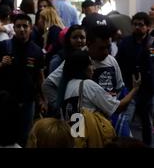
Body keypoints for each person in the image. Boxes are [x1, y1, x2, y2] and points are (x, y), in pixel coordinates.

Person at [0, 14, 45, 145]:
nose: (22, 29)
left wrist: (42, 99)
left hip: (27, 102)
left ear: (31, 28)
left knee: (24, 137)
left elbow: (40, 77)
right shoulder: (3, 46)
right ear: (14, 28)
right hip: (4, 101)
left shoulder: (37, 51)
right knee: (4, 136)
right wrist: (0, 64)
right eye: (18, 26)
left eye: (25, 26)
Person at [43, 26, 125, 116]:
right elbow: (48, 85)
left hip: (108, 119)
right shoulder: (77, 59)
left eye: (108, 48)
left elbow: (119, 88)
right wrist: (62, 108)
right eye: (101, 48)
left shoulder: (111, 61)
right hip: (83, 121)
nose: (106, 52)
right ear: (89, 44)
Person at [58, 50, 140, 121]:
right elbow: (117, 108)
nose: (93, 68)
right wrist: (135, 89)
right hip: (89, 136)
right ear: (82, 67)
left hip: (75, 135)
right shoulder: (87, 85)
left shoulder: (68, 85)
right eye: (90, 64)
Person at [116, 12, 153, 146]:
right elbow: (118, 63)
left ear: (147, 27)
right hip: (129, 87)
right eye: (135, 24)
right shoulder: (125, 42)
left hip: (147, 89)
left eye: (141, 25)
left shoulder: (152, 43)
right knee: (125, 120)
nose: (137, 27)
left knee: (146, 121)